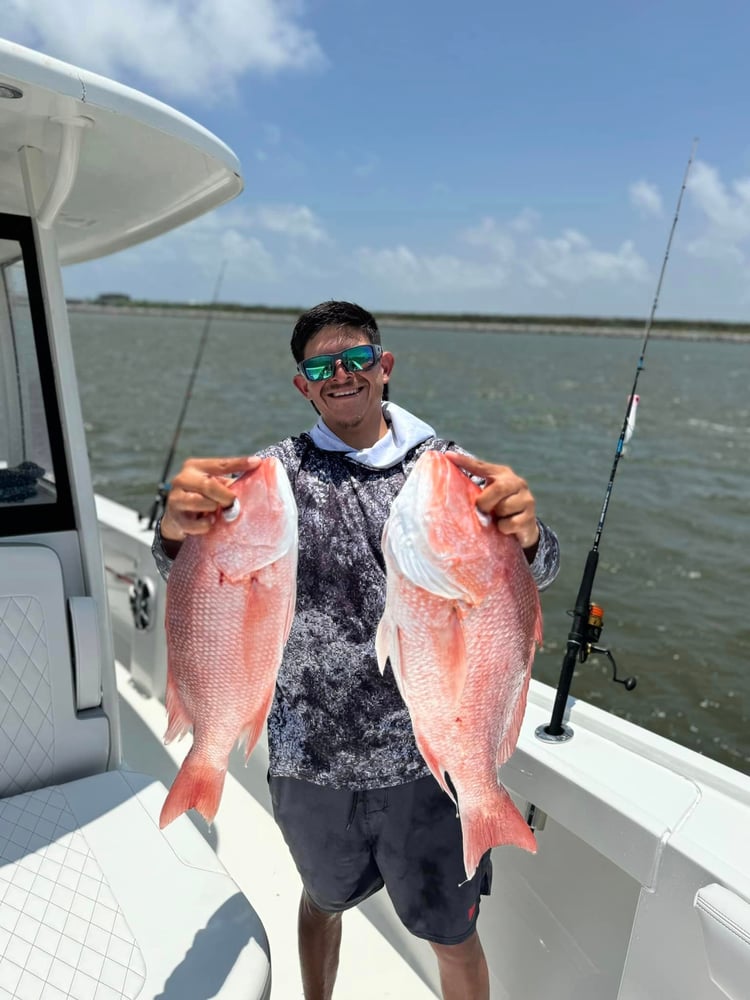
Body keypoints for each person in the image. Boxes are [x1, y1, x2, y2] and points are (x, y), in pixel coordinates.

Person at [152, 300, 560, 1000]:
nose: (341, 374)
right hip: (308, 759)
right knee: (322, 901)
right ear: (303, 386)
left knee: (453, 937)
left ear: (384, 366)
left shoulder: (451, 471)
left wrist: (528, 533)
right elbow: (197, 586)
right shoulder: (271, 475)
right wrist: (172, 530)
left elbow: (532, 578)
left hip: (427, 765)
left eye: (357, 358)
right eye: (320, 366)